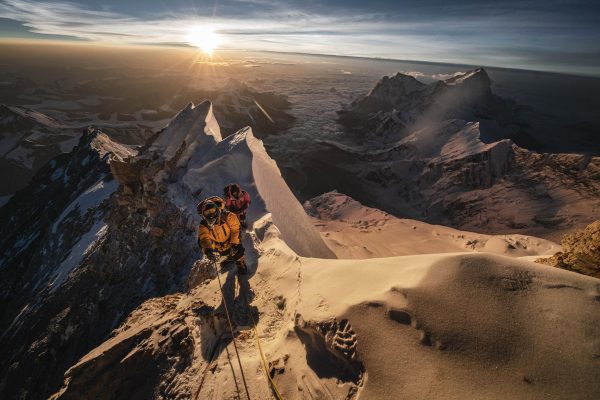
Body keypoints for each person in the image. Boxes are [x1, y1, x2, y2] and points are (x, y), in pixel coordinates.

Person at [197, 198, 247, 275]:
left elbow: (236, 230)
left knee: (237, 251)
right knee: (225, 252)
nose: (210, 215)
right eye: (207, 213)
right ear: (204, 215)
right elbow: (204, 238)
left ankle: (240, 263)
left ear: (217, 210)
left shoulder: (227, 216)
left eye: (212, 211)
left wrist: (235, 244)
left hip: (231, 240)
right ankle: (230, 257)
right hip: (219, 245)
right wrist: (207, 250)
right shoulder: (204, 225)